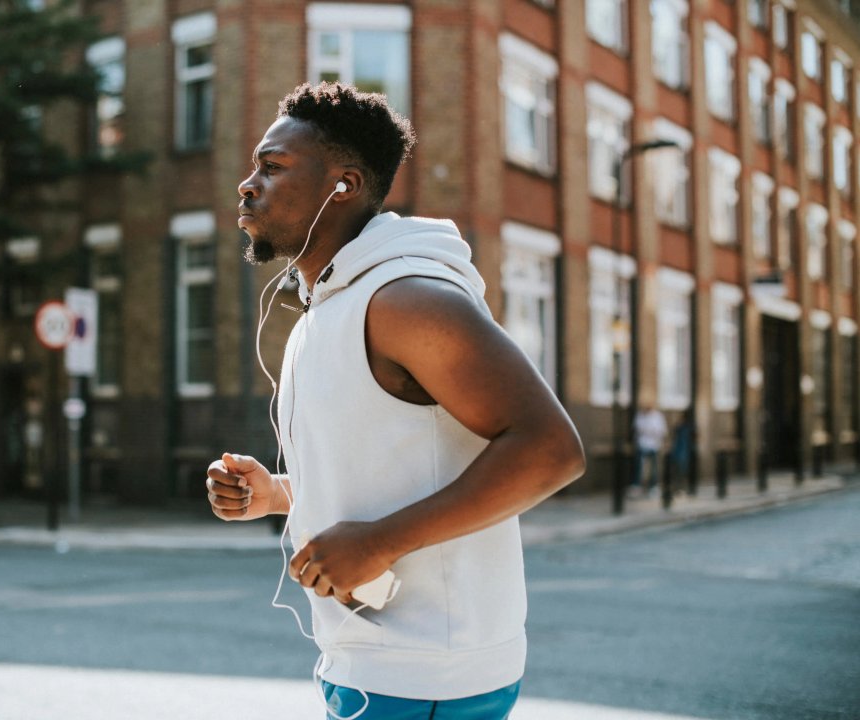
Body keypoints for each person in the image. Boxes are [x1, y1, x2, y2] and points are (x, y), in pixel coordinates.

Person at [206, 82, 585, 719]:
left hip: (427, 674)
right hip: (368, 665)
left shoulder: (406, 299)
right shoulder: (325, 311)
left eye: (271, 168)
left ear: (343, 184)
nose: (247, 184)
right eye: (253, 168)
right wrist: (278, 493)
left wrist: (381, 542)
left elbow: (551, 451)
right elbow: (395, 466)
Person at [632, 404, 668, 497]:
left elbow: (661, 431)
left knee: (654, 468)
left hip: (654, 445)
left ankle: (653, 486)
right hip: (642, 444)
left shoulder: (658, 416)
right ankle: (637, 486)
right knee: (638, 467)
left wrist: (649, 431)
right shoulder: (640, 415)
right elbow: (637, 428)